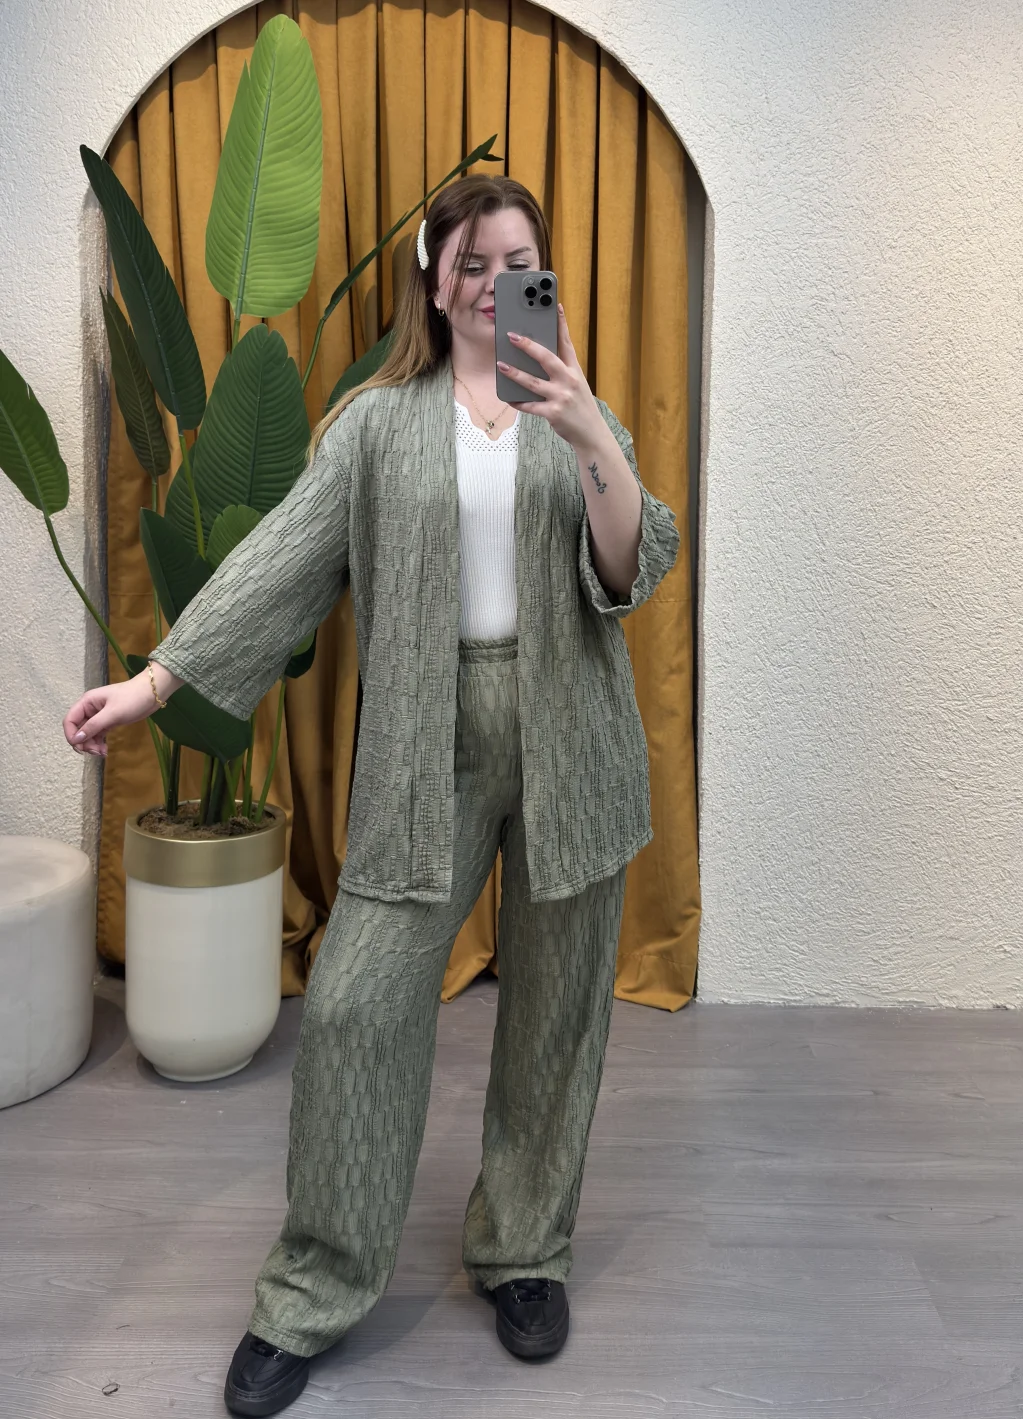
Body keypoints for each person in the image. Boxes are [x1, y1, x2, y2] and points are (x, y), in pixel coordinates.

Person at [63, 175, 681, 1418]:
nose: (491, 282)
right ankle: (311, 1290)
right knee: (352, 1012)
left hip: (574, 746)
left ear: (540, 275)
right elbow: (281, 562)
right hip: (421, 751)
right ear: (431, 278)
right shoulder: (375, 427)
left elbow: (632, 565)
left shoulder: (575, 409)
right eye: (470, 261)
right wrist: (155, 679)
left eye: (516, 260)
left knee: (557, 1019)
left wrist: (589, 434)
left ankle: (524, 1252)